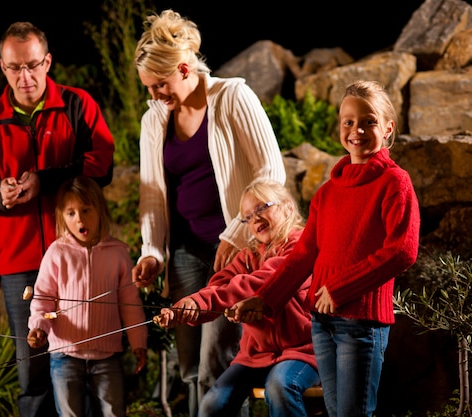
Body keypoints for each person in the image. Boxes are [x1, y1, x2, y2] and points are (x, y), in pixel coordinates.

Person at [230, 80, 421, 417]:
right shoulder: (327, 192)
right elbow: (303, 255)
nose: (357, 130)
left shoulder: (395, 181)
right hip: (324, 323)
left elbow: (402, 250)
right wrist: (265, 299)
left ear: (389, 128)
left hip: (362, 324)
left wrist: (342, 287)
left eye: (369, 121)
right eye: (348, 121)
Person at [130, 9, 286, 417]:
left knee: (218, 363)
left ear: (184, 68)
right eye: (148, 88)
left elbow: (272, 171)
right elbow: (151, 195)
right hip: (183, 253)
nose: (154, 95)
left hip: (234, 254)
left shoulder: (233, 97)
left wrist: (235, 234)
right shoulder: (153, 120)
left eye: (159, 84)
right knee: (187, 368)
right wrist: (152, 251)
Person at [0, 22, 115, 417]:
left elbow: (103, 163)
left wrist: (46, 180)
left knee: (88, 352)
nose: (24, 77)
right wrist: (1, 193)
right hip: (20, 261)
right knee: (32, 361)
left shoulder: (78, 105)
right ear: (2, 67)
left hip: (80, 255)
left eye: (32, 65)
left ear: (47, 61)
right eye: (14, 68)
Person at [155, 178, 319, 417]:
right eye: (248, 217)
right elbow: (219, 285)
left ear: (288, 207)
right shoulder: (247, 256)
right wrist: (190, 306)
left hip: (301, 352)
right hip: (255, 356)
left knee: (279, 388)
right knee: (212, 405)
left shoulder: (301, 246)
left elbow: (264, 280)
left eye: (262, 207)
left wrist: (210, 301)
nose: (255, 219)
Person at [27, 176, 148, 417]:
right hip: (65, 355)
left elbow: (130, 303)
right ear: (62, 216)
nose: (79, 219)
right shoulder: (56, 253)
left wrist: (138, 343)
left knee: (114, 413)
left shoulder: (118, 253)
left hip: (107, 357)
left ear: (100, 210)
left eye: (85, 210)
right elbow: (42, 298)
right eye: (71, 213)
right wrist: (38, 326)